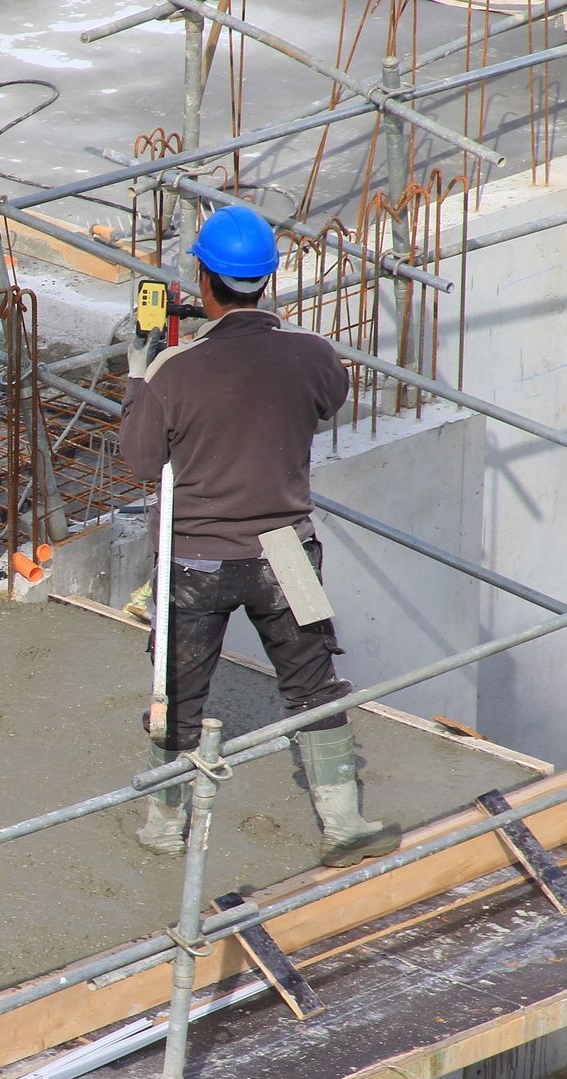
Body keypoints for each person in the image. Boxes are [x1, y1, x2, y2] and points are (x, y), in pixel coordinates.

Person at [118, 205, 399, 868]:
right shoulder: (313, 356)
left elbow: (137, 460)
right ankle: (345, 823)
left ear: (202, 280)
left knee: (179, 693)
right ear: (268, 279)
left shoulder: (173, 373)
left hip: (195, 559)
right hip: (286, 551)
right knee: (313, 682)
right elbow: (326, 398)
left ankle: (164, 827)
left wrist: (140, 368)